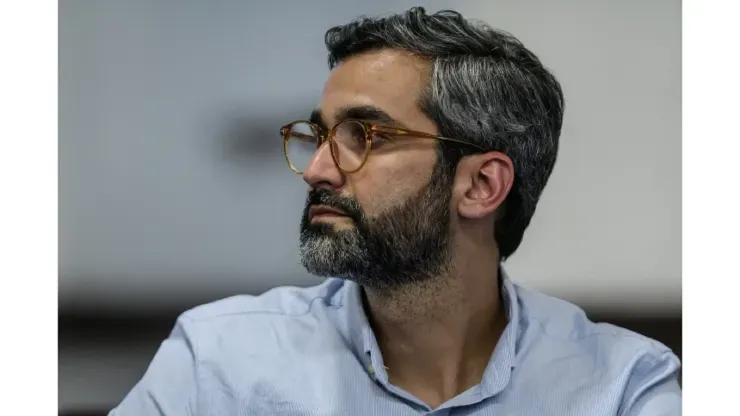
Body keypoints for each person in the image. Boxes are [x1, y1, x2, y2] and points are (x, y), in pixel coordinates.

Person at [110, 7, 681, 415]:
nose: (317, 170)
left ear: (482, 184)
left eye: (364, 135)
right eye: (322, 135)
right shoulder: (218, 363)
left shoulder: (623, 387)